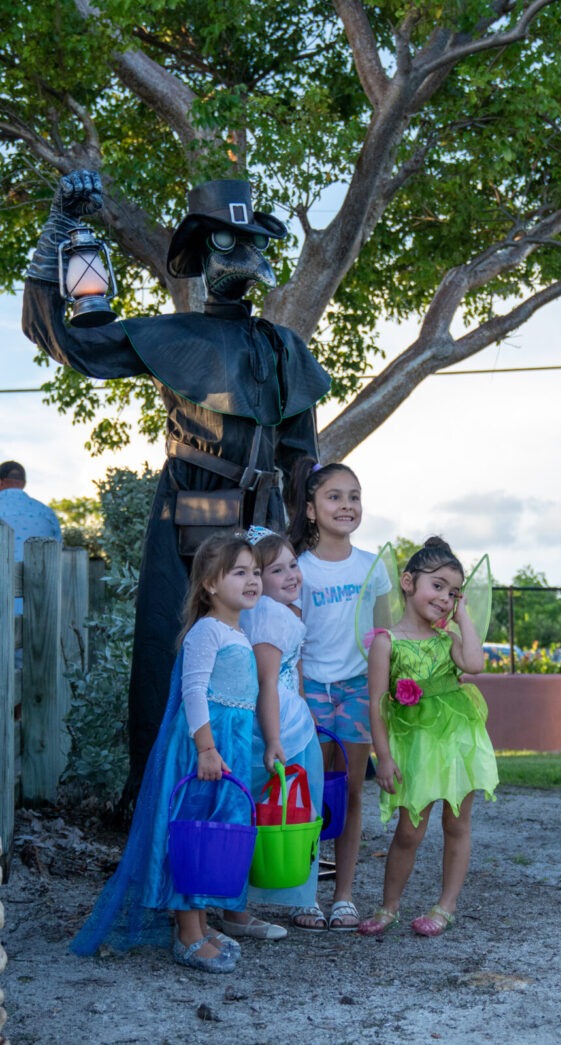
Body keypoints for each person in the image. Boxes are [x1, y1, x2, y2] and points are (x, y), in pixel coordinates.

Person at [22, 170, 330, 793]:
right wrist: (59, 231)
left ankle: (261, 804)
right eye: (225, 241)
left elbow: (302, 458)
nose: (241, 254)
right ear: (202, 254)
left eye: (249, 240)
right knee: (174, 650)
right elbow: (72, 342)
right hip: (189, 514)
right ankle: (166, 805)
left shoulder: (283, 349)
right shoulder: (174, 335)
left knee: (268, 660)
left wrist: (301, 541)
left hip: (264, 523)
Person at [71, 535, 286, 972]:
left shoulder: (236, 631)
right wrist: (206, 748)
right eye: (239, 572)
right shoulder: (207, 631)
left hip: (227, 748)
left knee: (211, 836)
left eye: (255, 572)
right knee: (192, 836)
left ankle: (200, 924)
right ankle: (187, 935)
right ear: (210, 583)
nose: (252, 580)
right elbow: (194, 691)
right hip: (203, 749)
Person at [358, 537, 499, 938]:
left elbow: (475, 664)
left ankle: (445, 906)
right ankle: (389, 907)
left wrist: (463, 616)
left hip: (457, 741)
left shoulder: (448, 639)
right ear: (408, 582)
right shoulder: (386, 642)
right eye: (437, 586)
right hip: (416, 747)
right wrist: (383, 757)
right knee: (409, 830)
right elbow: (376, 704)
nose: (444, 598)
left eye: (453, 592)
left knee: (457, 824)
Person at [286, 457, 391, 931]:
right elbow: (291, 641)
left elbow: (386, 638)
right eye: (334, 496)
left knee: (349, 792)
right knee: (310, 791)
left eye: (354, 496)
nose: (347, 505)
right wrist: (299, 698)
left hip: (357, 692)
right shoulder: (299, 570)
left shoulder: (373, 567)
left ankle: (344, 895)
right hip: (310, 690)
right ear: (311, 509)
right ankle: (305, 893)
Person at [236, 527, 324, 926]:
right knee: (296, 807)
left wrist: (305, 706)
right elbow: (267, 681)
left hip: (290, 717)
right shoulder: (269, 615)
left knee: (280, 809)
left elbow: (293, 670)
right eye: (276, 570)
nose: (291, 575)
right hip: (279, 726)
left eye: (293, 565)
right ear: (257, 578)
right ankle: (299, 896)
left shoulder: (282, 611)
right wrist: (274, 737)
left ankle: (289, 894)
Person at [0, 460, 62, 614]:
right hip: (39, 606)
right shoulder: (46, 513)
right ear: (24, 483)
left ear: (0, 482)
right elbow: (58, 554)